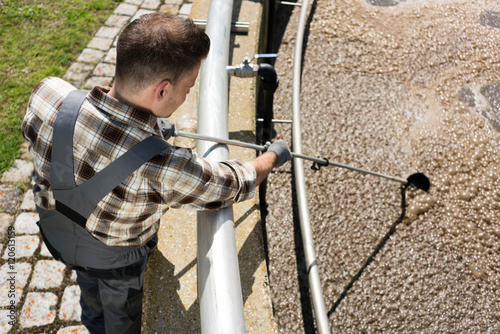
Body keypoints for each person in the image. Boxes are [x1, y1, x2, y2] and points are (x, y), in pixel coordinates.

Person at [22, 12, 291, 334]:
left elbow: (87, 133)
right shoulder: (164, 165)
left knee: (90, 295)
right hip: (116, 265)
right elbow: (234, 184)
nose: (188, 94)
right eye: (189, 87)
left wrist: (150, 127)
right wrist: (272, 156)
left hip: (58, 234)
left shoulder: (48, 95)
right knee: (120, 318)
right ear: (162, 90)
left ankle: (92, 321)